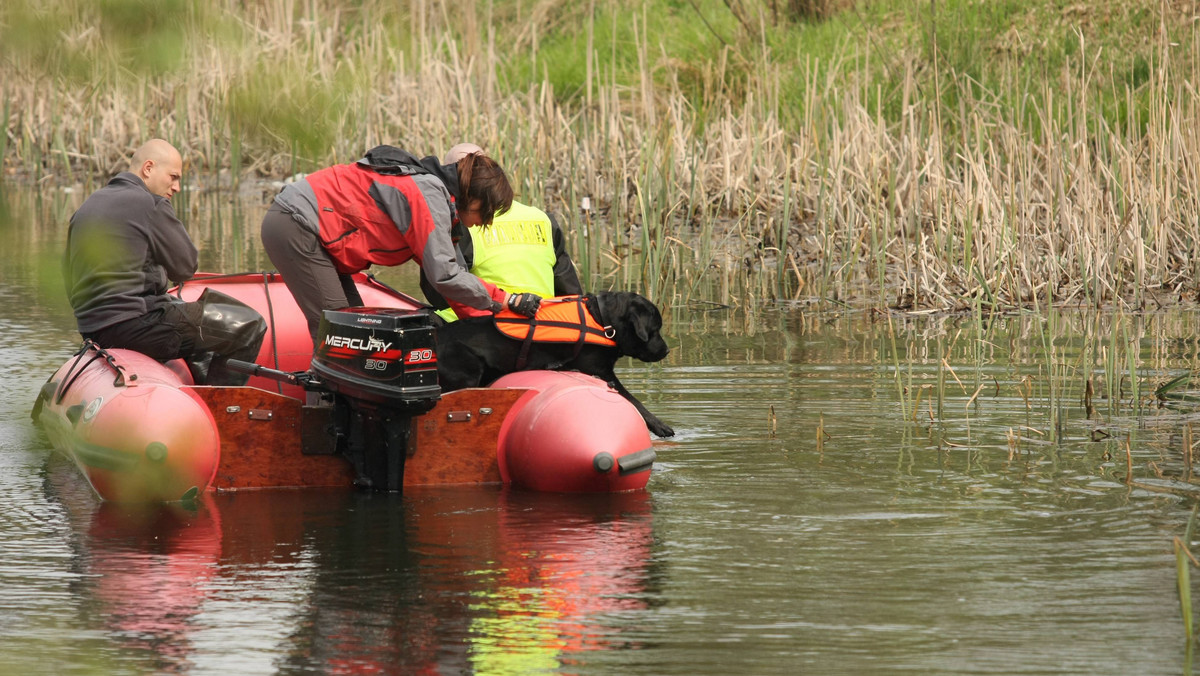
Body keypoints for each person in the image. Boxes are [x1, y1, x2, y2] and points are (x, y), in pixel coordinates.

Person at [260, 145, 542, 341]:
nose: (486, 222)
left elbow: (456, 283)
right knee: (339, 332)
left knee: (358, 327)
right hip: (296, 223)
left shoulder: (442, 205)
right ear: (473, 196)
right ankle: (322, 411)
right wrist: (508, 299)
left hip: (317, 234)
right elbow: (446, 276)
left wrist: (491, 326)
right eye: (487, 212)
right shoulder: (428, 196)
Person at [62, 139, 266, 385]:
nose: (177, 187)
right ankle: (220, 413)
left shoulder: (86, 207)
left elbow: (69, 280)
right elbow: (185, 268)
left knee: (189, 315)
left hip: (93, 329)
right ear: (148, 168)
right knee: (249, 325)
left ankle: (199, 392)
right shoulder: (150, 203)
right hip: (136, 326)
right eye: (173, 177)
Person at [420, 143, 582, 322]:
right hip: (543, 326)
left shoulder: (461, 223)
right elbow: (571, 294)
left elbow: (440, 294)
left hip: (485, 331)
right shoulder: (543, 219)